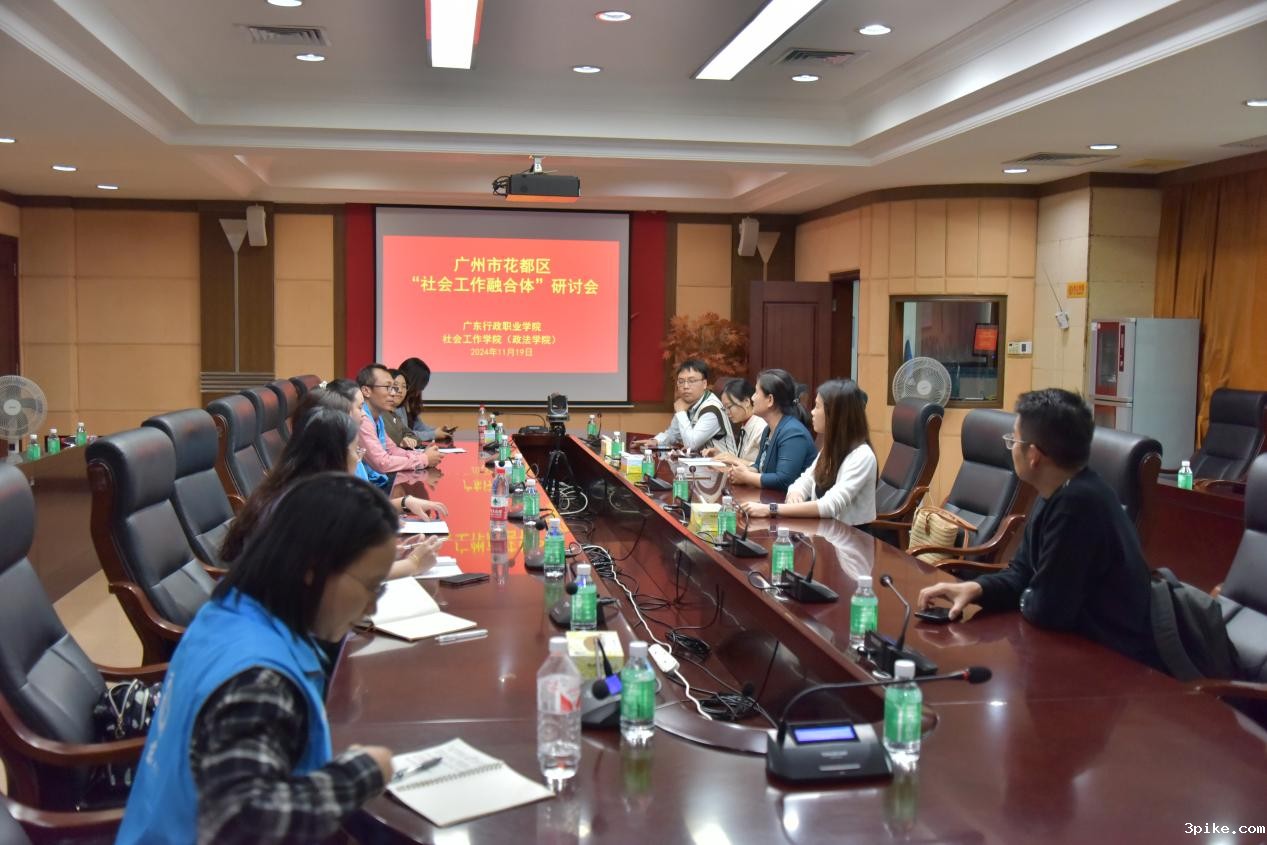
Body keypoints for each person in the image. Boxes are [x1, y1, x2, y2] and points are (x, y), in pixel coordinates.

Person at [117, 473, 400, 843]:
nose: (372, 606)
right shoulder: (261, 679)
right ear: (313, 567)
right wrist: (359, 775)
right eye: (371, 586)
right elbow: (244, 822)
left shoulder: (228, 612)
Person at [917, 388, 1162, 670]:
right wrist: (975, 589)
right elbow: (1022, 574)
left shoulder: (1078, 505)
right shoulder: (1055, 491)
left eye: (1013, 440)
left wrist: (1029, 594)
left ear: (1033, 455)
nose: (1011, 448)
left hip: (1112, 664)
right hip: (1072, 650)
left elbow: (1049, 610)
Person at [220, 399, 446, 578]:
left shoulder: (299, 483)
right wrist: (412, 564)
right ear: (334, 455)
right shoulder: (308, 503)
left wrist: (391, 554)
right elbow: (339, 576)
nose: (359, 457)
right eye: (355, 450)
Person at [741, 378, 876, 525]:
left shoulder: (862, 456)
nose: (812, 412)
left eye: (817, 407)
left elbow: (829, 506)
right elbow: (804, 480)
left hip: (850, 535)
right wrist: (795, 493)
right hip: (823, 530)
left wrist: (771, 509)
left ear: (835, 414)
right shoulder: (831, 449)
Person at [726, 369, 816, 492]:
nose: (752, 398)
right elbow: (759, 466)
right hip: (769, 499)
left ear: (770, 400)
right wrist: (741, 472)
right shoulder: (768, 429)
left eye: (756, 393)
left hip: (791, 502)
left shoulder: (793, 433)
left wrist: (747, 477)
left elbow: (784, 480)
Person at [633, 359, 734, 454]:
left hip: (724, 465)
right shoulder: (689, 402)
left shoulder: (712, 410)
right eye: (681, 381)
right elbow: (673, 434)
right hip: (700, 462)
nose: (685, 386)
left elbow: (691, 445)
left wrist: (681, 412)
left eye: (691, 381)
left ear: (704, 384)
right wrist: (656, 441)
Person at [357, 363, 442, 475]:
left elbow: (392, 450)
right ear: (366, 391)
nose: (394, 393)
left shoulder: (377, 418)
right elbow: (383, 463)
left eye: (394, 388)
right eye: (387, 387)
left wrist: (422, 455)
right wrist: (423, 459)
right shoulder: (362, 419)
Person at [702, 377, 766, 466]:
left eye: (729, 407)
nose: (727, 413)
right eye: (724, 409)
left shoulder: (761, 428)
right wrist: (720, 455)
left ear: (747, 402)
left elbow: (766, 468)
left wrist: (735, 460)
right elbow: (742, 461)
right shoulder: (745, 425)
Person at [399, 357, 455, 443]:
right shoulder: (395, 403)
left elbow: (419, 427)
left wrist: (438, 430)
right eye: (420, 385)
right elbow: (404, 434)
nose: (421, 390)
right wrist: (434, 434)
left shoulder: (410, 401)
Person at [380, 368, 417, 449]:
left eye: (404, 386)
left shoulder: (395, 416)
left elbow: (412, 435)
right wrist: (402, 441)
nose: (400, 390)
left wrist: (408, 440)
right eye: (395, 385)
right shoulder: (378, 413)